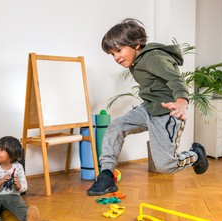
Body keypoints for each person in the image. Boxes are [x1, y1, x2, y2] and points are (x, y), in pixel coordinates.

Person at [87, 18, 208, 196]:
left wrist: (181, 102)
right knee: (117, 126)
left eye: (119, 50)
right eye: (112, 54)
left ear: (136, 44)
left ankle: (196, 154)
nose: (116, 58)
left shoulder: (154, 57)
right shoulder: (136, 61)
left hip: (167, 113)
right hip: (148, 109)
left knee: (165, 166)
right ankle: (106, 174)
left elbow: (176, 80)